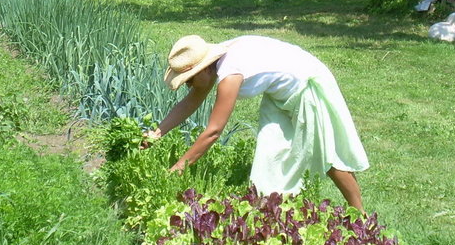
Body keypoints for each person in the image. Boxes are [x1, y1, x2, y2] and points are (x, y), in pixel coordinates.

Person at [144, 35, 369, 211]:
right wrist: (156, 133)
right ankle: (278, 212)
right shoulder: (214, 62)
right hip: (279, 93)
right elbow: (188, 104)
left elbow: (213, 131)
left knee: (326, 155)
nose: (188, 85)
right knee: (271, 156)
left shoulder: (230, 73)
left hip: (307, 85)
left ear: (203, 67)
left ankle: (361, 219)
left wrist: (179, 167)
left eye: (189, 79)